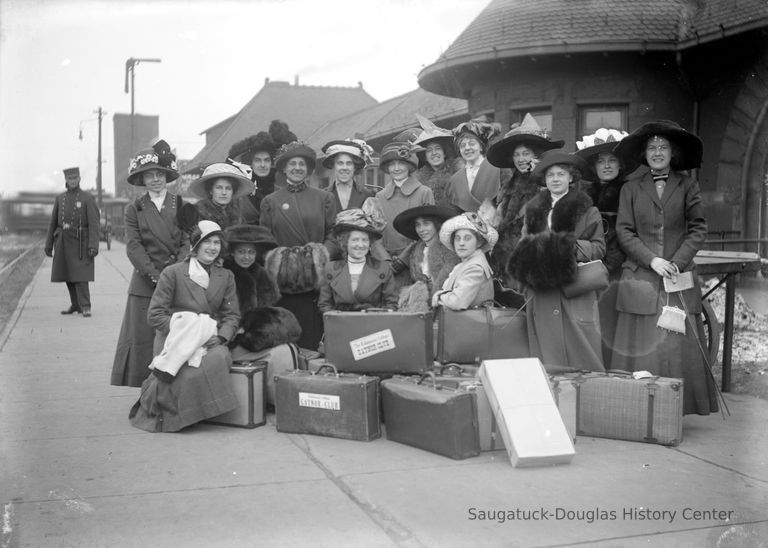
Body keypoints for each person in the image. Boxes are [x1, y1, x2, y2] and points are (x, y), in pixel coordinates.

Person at [612, 120, 718, 415]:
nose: (657, 152)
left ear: (673, 153)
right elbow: (624, 231)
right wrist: (652, 260)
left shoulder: (688, 185)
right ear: (644, 155)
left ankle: (676, 408)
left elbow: (698, 228)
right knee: (643, 344)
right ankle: (637, 409)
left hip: (677, 276)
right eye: (651, 148)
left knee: (675, 344)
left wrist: (676, 262)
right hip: (642, 275)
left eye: (663, 147)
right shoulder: (631, 188)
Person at [129, 220, 240, 433]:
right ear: (196, 245)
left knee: (219, 357)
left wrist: (222, 337)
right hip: (175, 338)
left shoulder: (225, 276)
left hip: (209, 339)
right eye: (207, 242)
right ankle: (178, 414)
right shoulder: (173, 273)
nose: (212, 247)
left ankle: (198, 410)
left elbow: (232, 315)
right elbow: (155, 315)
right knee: (179, 375)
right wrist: (185, 328)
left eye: (217, 242)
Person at [508, 151, 606, 371]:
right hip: (541, 291)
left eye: (561, 174)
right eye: (550, 175)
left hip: (574, 289)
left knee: (581, 352)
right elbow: (522, 246)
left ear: (571, 178)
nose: (555, 179)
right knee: (546, 354)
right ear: (544, 180)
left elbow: (599, 248)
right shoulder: (533, 211)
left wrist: (565, 247)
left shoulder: (588, 211)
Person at [111, 140, 189, 387]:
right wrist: (156, 277)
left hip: (177, 280)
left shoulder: (182, 205)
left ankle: (175, 391)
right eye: (149, 175)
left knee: (177, 338)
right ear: (141, 180)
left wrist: (174, 274)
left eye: (160, 174)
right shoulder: (133, 209)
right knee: (144, 340)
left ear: (167, 177)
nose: (155, 179)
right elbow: (133, 247)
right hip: (146, 284)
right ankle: (146, 392)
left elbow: (188, 240)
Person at [260, 141, 336, 349]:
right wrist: (282, 263)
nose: (297, 168)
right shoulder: (271, 201)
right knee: (285, 341)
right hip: (283, 284)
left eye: (302, 164)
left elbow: (334, 234)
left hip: (315, 283)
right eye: (292, 163)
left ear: (309, 169)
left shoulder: (324, 198)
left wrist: (317, 259)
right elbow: (264, 241)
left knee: (312, 340)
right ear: (284, 168)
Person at [575, 128, 633, 367]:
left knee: (611, 318)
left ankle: (612, 367)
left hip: (620, 265)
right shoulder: (585, 194)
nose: (607, 166)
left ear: (620, 165)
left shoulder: (629, 191)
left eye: (612, 161)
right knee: (589, 316)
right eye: (601, 162)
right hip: (590, 264)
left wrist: (615, 260)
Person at [487, 113, 565, 273]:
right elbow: (497, 220)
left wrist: (539, 175)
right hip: (505, 259)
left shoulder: (549, 183)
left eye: (525, 153)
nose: (520, 159)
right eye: (516, 154)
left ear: (536, 155)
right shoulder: (507, 186)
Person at [44, 166, 100, 317]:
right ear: (66, 181)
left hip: (81, 242)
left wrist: (93, 245)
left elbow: (95, 224)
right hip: (62, 241)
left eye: (75, 178)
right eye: (70, 179)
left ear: (79, 179)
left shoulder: (87, 198)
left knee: (81, 276)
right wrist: (48, 244)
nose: (73, 181)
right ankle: (76, 305)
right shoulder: (60, 198)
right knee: (67, 275)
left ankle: (86, 306)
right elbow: (52, 223)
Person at [318, 208, 398, 313]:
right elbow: (324, 305)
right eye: (355, 240)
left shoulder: (383, 268)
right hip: (341, 326)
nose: (360, 245)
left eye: (364, 240)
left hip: (374, 326)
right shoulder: (330, 269)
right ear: (345, 242)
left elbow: (391, 304)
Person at [392, 204, 461, 312]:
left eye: (426, 224)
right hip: (420, 306)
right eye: (418, 225)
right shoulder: (416, 250)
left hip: (445, 306)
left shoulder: (449, 249)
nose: (421, 229)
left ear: (436, 225)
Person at [228, 120, 297, 224]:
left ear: (272, 163)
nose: (263, 165)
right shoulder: (240, 194)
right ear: (250, 163)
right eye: (257, 160)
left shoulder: (282, 192)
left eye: (267, 160)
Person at [375, 140, 435, 258]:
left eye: (401, 163)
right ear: (387, 168)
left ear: (409, 165)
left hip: (416, 257)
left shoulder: (424, 192)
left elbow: (429, 232)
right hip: (386, 261)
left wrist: (403, 260)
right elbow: (377, 235)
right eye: (392, 164)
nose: (396, 168)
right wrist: (385, 259)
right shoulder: (379, 197)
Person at [431, 211, 498, 310]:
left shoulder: (475, 268)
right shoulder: (464, 265)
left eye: (467, 238)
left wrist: (438, 296)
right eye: (457, 239)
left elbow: (457, 302)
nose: (461, 243)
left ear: (479, 242)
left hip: (471, 324)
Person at [445, 117, 510, 213]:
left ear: (481, 147)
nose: (467, 148)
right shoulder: (454, 180)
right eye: (462, 145)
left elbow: (509, 202)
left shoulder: (499, 169)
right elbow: (452, 211)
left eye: (472, 143)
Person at [221, 224, 281, 316]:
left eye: (251, 252)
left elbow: (268, 307)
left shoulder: (262, 275)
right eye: (241, 252)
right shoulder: (223, 273)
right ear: (232, 252)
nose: (247, 257)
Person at [412, 115, 462, 206]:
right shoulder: (419, 181)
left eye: (437, 148)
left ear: (444, 152)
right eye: (429, 150)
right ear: (425, 157)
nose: (434, 153)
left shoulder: (458, 171)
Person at [188, 162, 255, 230]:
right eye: (219, 188)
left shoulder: (238, 215)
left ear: (233, 191)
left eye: (228, 188)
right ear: (211, 190)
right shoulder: (197, 213)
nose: (224, 192)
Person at [321, 139, 375, 212]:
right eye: (340, 163)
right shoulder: (322, 196)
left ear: (355, 167)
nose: (344, 168)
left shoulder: (368, 195)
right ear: (333, 166)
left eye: (349, 163)